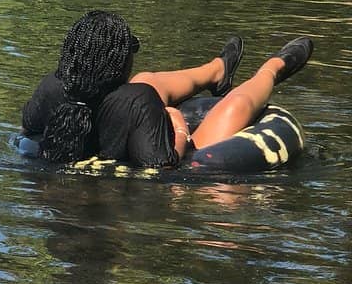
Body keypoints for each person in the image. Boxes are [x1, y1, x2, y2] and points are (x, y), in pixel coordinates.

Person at [21, 9, 313, 167]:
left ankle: (217, 70)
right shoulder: (137, 102)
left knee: (146, 79)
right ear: (118, 63)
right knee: (236, 106)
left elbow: (30, 128)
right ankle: (273, 68)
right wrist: (178, 124)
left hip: (116, 128)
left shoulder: (51, 87)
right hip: (154, 155)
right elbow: (161, 163)